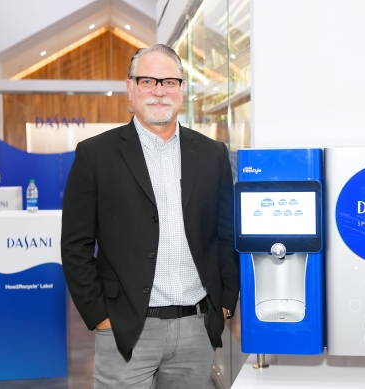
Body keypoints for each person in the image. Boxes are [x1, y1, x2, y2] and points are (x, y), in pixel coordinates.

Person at [61, 44, 239, 389]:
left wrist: (225, 304)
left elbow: (226, 235)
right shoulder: (95, 155)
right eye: (147, 80)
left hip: (197, 327)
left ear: (182, 89)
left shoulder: (212, 154)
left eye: (169, 81)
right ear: (130, 87)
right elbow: (75, 245)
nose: (159, 90)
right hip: (126, 328)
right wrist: (99, 316)